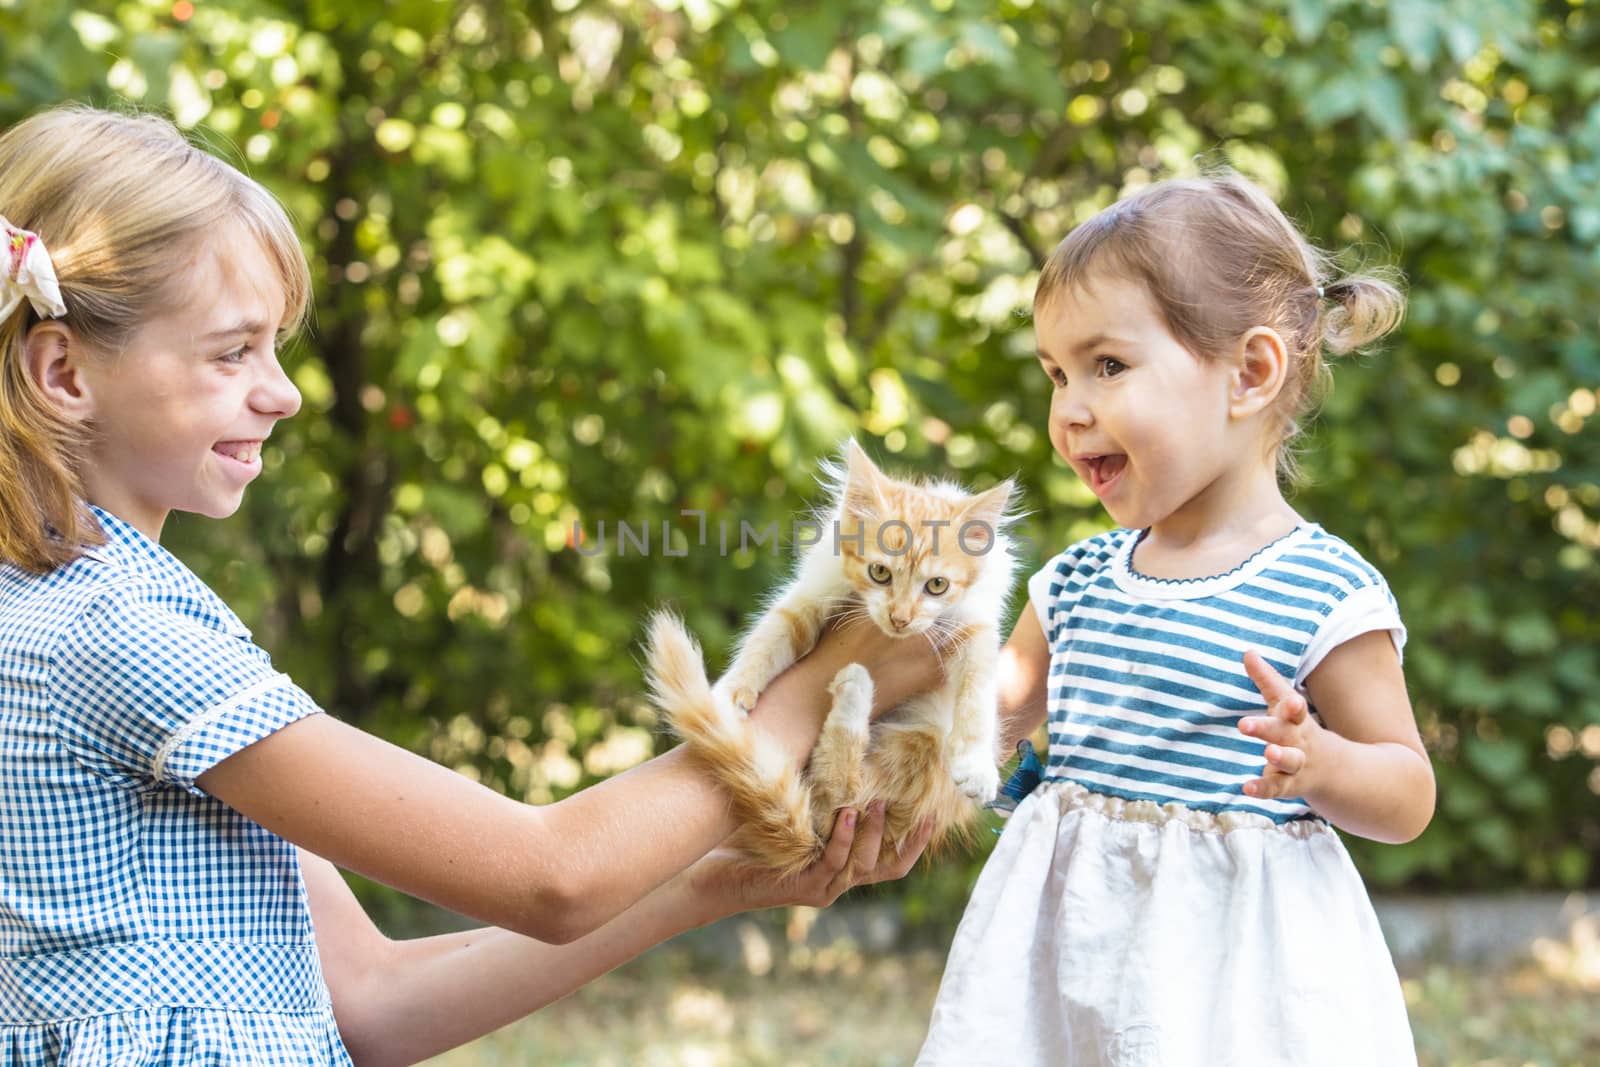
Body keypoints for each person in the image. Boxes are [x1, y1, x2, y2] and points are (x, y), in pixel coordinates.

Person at [0, 104, 940, 1066]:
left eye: (276, 347)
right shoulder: (114, 633)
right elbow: (551, 874)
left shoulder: (111, 613)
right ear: (64, 371)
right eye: (232, 351)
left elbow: (371, 1000)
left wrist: (711, 880)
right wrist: (818, 688)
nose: (281, 391)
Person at [916, 172, 1436, 1066]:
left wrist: (1322, 760)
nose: (1069, 409)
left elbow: (1408, 793)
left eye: (1107, 365)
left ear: (1250, 373)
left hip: (1229, 982)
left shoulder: (1321, 590)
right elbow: (986, 720)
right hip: (1063, 958)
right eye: (1056, 374)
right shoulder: (1074, 580)